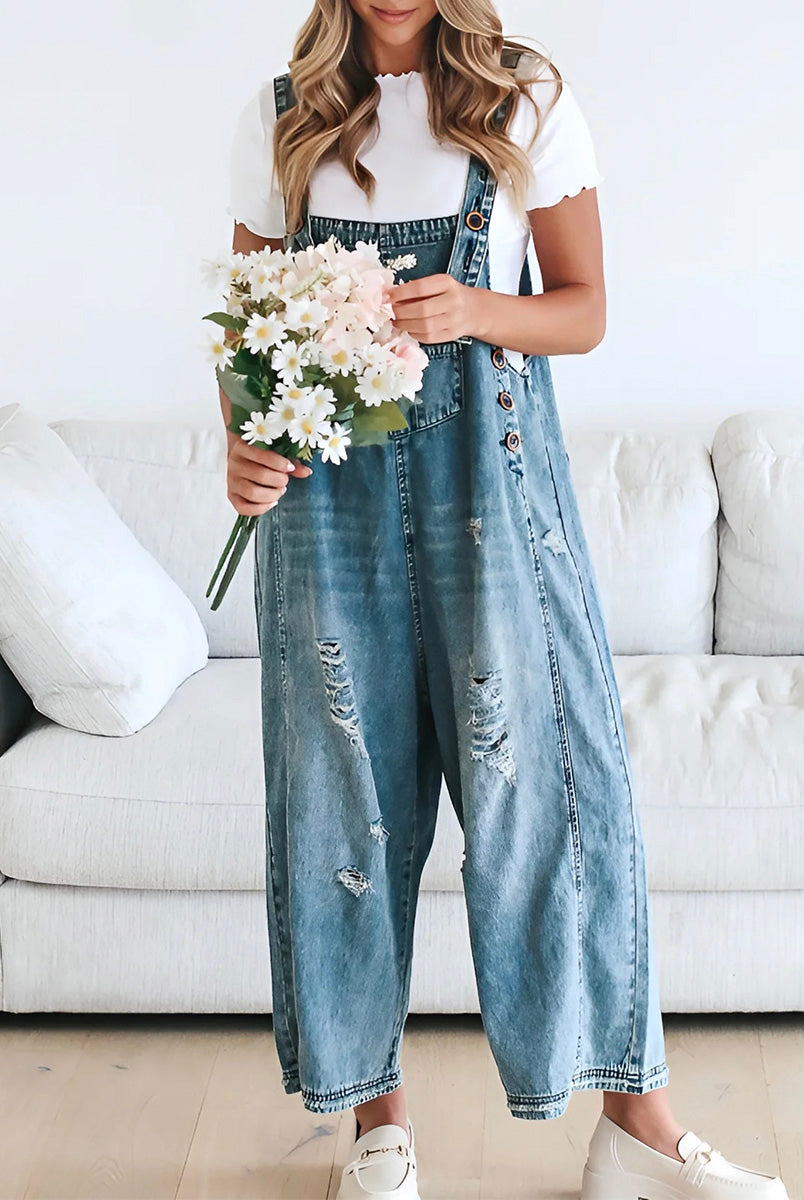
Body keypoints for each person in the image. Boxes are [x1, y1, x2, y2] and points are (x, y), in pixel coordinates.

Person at [220, 4, 791, 1199]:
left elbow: (583, 307)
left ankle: (637, 1126)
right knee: (346, 809)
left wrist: (477, 309)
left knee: (561, 795)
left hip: (494, 497)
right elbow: (251, 343)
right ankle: (378, 1132)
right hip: (327, 512)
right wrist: (246, 445)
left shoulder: (524, 100)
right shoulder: (283, 117)